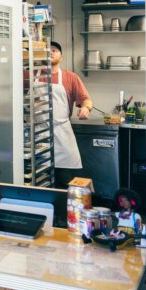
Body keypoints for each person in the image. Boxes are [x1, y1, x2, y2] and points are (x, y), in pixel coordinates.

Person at [47, 41, 94, 188]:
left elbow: (86, 100)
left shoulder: (70, 77)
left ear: (61, 57)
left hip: (62, 134)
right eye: (47, 50)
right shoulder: (30, 76)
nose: (51, 52)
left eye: (54, 50)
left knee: (64, 180)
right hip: (38, 136)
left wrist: (86, 108)